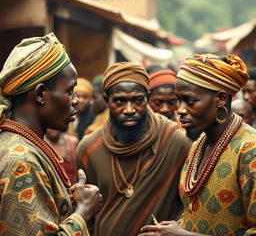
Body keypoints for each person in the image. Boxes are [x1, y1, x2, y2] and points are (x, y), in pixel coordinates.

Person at [140, 54, 256, 235]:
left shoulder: (250, 150)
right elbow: (192, 212)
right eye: (178, 100)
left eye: (190, 101)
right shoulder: (198, 145)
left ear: (222, 99)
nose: (180, 110)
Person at [0, 33, 102, 235]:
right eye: (69, 91)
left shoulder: (22, 145)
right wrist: (83, 212)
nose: (76, 101)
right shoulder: (21, 161)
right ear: (40, 94)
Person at [76, 62, 191, 236]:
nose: (129, 110)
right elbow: (86, 214)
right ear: (107, 100)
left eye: (137, 100)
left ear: (147, 97)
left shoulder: (176, 142)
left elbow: (187, 204)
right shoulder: (89, 148)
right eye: (119, 101)